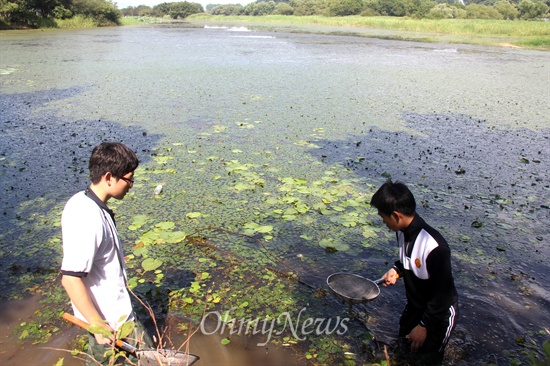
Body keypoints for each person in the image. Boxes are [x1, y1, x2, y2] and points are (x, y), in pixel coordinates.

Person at [60, 142, 151, 365]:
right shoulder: (88, 217)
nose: (131, 185)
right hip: (112, 325)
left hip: (114, 317)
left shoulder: (84, 201)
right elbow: (70, 279)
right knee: (151, 360)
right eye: (129, 179)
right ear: (109, 177)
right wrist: (97, 323)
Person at [370, 180, 458, 365]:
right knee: (404, 345)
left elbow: (444, 296)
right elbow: (408, 260)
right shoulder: (402, 231)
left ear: (396, 215)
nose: (383, 222)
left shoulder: (435, 247)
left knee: (429, 359)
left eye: (382, 217)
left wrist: (424, 326)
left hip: (438, 314)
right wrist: (396, 270)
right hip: (417, 306)